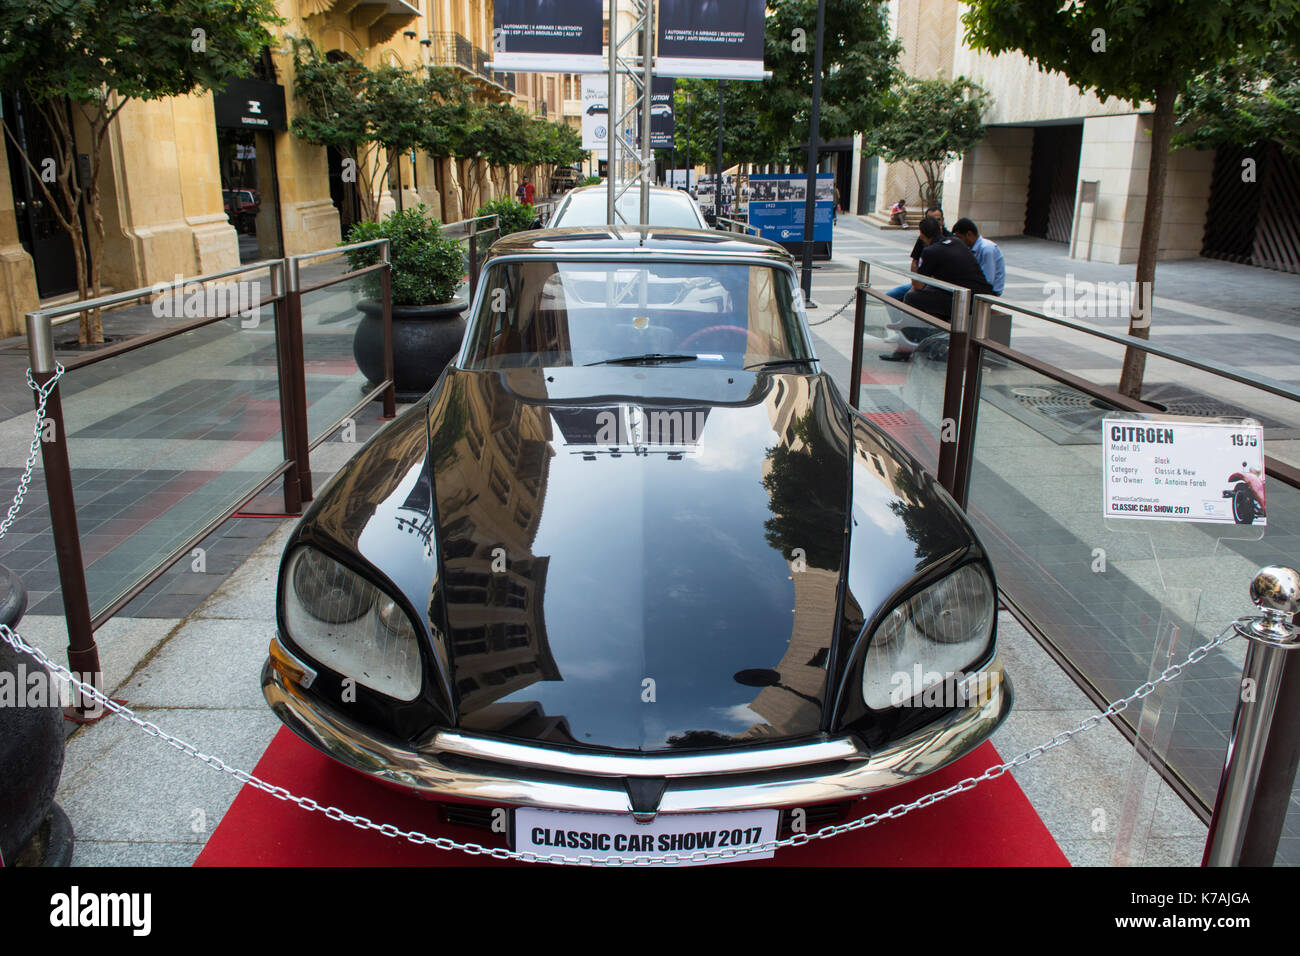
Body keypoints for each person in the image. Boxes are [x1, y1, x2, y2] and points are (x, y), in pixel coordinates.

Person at [880, 216, 993, 362]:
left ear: (922, 235)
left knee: (911, 298)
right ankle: (932, 343)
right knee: (925, 299)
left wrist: (915, 268)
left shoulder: (931, 251)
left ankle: (907, 348)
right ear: (940, 229)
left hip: (966, 301)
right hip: (979, 297)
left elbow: (918, 285)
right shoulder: (956, 242)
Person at [952, 217, 1005, 296]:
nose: (959, 241)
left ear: (969, 234)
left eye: (960, 237)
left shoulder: (987, 249)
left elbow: (988, 279)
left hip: (989, 292)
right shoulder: (970, 248)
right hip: (978, 288)